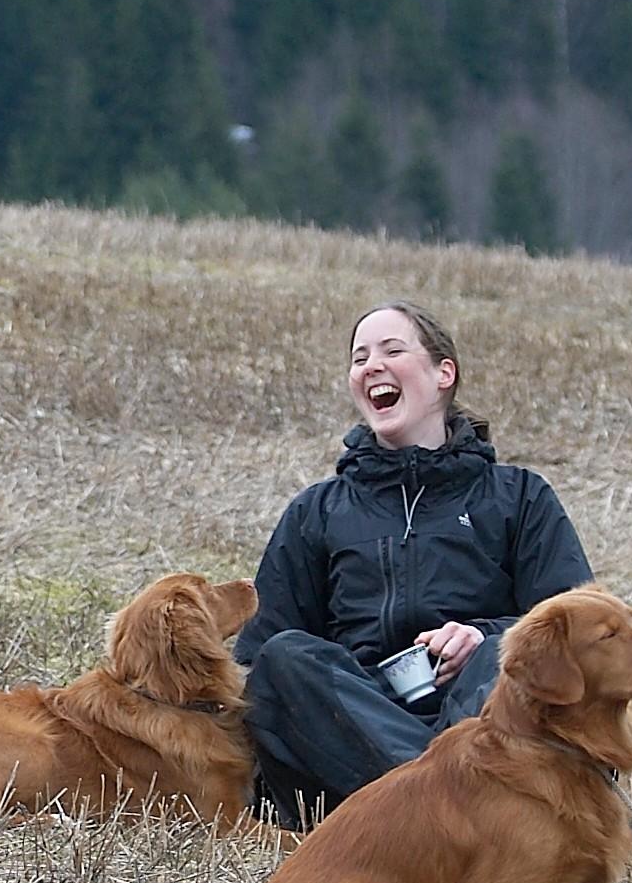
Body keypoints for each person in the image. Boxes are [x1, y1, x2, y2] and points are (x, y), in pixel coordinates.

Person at [234, 302, 593, 824]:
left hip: (479, 719)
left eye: (391, 350)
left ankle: (433, 804)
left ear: (443, 373)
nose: (371, 366)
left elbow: (578, 633)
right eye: (359, 358)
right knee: (286, 657)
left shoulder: (521, 498)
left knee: (503, 651)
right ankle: (442, 807)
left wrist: (480, 635)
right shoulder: (317, 510)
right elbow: (258, 656)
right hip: (355, 734)